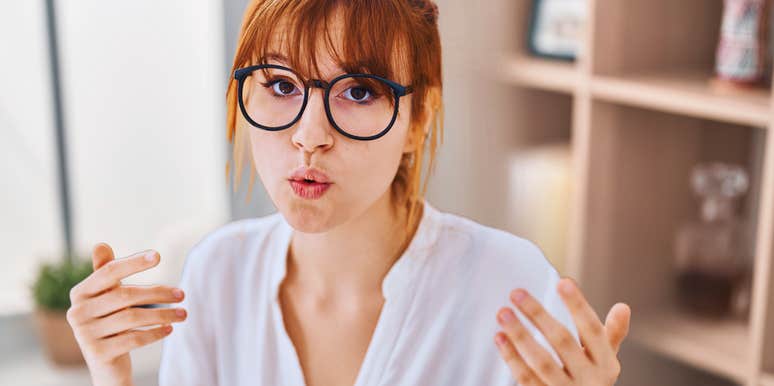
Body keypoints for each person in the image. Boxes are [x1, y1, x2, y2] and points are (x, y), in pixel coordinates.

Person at [66, 1, 631, 385]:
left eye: (359, 91)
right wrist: (111, 375)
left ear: (418, 120)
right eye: (280, 84)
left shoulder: (510, 289)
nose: (309, 135)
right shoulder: (217, 275)